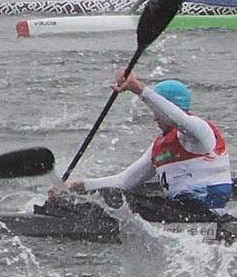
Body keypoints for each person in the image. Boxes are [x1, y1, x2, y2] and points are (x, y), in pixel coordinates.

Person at [67, 75, 230, 212]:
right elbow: (123, 181)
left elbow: (178, 119)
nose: (154, 117)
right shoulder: (158, 146)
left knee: (127, 204)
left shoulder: (200, 131)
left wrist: (138, 88)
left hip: (205, 213)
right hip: (180, 211)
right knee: (115, 196)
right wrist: (76, 186)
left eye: (156, 112)